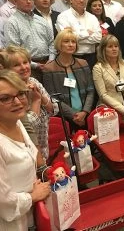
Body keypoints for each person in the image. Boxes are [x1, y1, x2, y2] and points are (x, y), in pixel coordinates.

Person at [0, 69, 51, 230]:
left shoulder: (17, 123)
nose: (17, 102)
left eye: (21, 94)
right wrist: (33, 196)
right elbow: (3, 203)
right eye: (5, 98)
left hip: (28, 215)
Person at [0, 45, 57, 160]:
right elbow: (27, 127)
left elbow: (54, 108)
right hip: (24, 154)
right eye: (16, 65)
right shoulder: (10, 94)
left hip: (43, 149)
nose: (24, 67)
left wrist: (40, 97)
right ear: (7, 70)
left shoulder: (34, 81)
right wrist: (36, 101)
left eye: (25, 62)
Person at [42, 29, 95, 130]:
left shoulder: (83, 63)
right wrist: (74, 115)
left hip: (85, 114)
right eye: (66, 41)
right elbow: (52, 98)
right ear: (58, 44)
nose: (71, 44)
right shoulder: (49, 68)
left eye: (73, 41)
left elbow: (90, 91)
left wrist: (84, 112)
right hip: (64, 118)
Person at [4, 0, 55, 82]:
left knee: (50, 95)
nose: (28, 1)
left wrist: (51, 60)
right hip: (28, 68)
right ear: (15, 1)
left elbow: (51, 42)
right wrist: (34, 65)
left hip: (48, 64)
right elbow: (14, 50)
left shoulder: (41, 20)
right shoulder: (12, 22)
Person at [56, 0, 102, 69]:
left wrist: (75, 35)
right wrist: (87, 33)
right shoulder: (63, 16)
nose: (81, 0)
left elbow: (98, 38)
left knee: (90, 81)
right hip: (72, 56)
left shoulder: (92, 17)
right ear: (71, 0)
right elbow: (66, 38)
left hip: (91, 57)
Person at [93, 34, 124, 116]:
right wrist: (123, 110)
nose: (114, 49)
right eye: (110, 46)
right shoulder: (98, 68)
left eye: (116, 46)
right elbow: (103, 95)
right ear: (103, 50)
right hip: (108, 110)